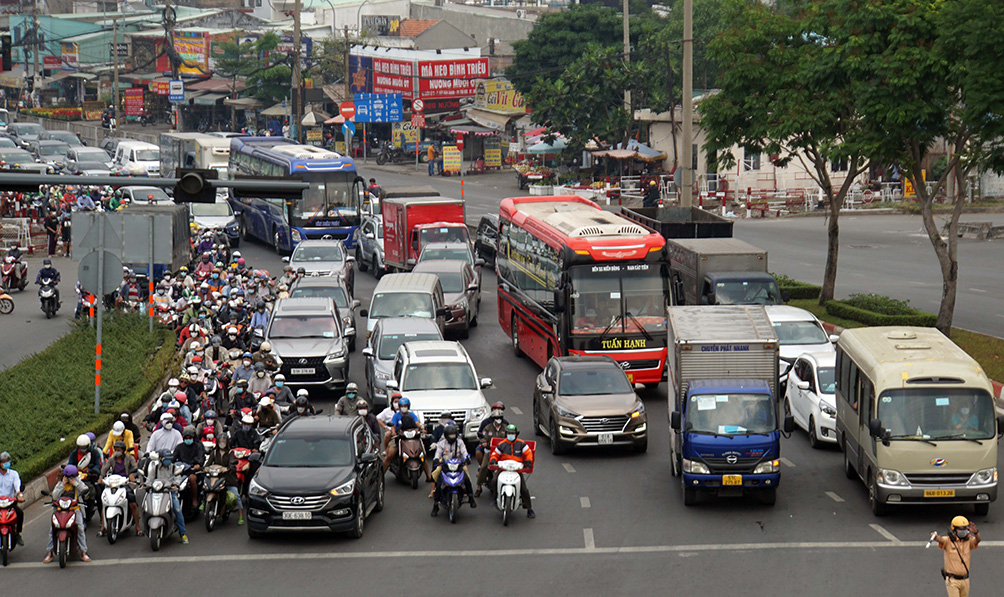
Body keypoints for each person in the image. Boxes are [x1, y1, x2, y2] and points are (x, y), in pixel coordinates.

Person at [43, 465, 91, 563]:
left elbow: (85, 490)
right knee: (52, 529)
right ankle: (50, 553)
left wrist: (76, 484)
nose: (70, 479)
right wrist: (62, 484)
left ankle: (83, 553)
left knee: (80, 528)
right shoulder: (60, 483)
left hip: (75, 509)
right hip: (60, 510)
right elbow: (55, 496)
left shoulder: (77, 482)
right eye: (69, 477)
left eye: (73, 477)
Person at [97, 441, 142, 537]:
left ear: (123, 451)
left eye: (118, 450)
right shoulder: (112, 459)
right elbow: (104, 469)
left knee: (132, 503)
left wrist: (131, 475)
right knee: (104, 501)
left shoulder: (129, 458)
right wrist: (101, 477)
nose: (116, 452)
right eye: (115, 450)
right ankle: (103, 527)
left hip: (125, 483)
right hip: (113, 483)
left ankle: (137, 527)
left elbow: (135, 468)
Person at [489, 424, 535, 518]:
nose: (511, 435)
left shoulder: (521, 444)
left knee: (524, 489)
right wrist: (493, 460)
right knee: (493, 481)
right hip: (503, 469)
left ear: (516, 434)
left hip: (516, 470)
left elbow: (528, 454)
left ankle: (529, 508)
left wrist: (528, 462)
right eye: (509, 433)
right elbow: (495, 454)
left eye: (512, 433)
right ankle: (495, 497)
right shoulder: (501, 444)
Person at [430, 424, 476, 516]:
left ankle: (471, 497)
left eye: (454, 435)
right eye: (450, 435)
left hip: (458, 465)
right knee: (438, 481)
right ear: (446, 435)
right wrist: (436, 459)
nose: (452, 437)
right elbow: (438, 453)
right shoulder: (442, 443)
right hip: (445, 465)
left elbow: (464, 452)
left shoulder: (460, 442)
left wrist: (467, 458)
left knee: (467, 478)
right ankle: (435, 505)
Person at [384, 398, 432, 481]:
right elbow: (393, 426)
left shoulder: (412, 415)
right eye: (402, 406)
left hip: (412, 439)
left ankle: (428, 475)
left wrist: (421, 428)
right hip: (399, 439)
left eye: (405, 406)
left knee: (422, 454)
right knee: (390, 455)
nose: (403, 407)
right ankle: (381, 475)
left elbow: (417, 423)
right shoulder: (396, 416)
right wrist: (393, 432)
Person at [146, 450, 188, 545]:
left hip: (169, 492)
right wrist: (146, 485)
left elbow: (177, 478)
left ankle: (183, 533)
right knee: (146, 506)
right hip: (156, 492)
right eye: (166, 459)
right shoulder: (155, 468)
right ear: (161, 459)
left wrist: (175, 485)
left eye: (169, 459)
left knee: (177, 510)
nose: (168, 461)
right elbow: (149, 480)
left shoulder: (173, 468)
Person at [933, 515, 981, 597]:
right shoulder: (948, 541)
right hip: (952, 580)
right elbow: (940, 539)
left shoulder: (969, 541)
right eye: (961, 529)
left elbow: (977, 540)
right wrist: (935, 536)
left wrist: (976, 533)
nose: (964, 531)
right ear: (954, 529)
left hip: (965, 579)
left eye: (965, 529)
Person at [205, 433, 244, 525]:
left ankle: (241, 516)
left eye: (224, 441)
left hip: (228, 478)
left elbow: (232, 463)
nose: (222, 443)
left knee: (236, 495)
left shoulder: (230, 453)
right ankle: (203, 502)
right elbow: (208, 463)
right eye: (220, 441)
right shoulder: (214, 452)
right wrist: (205, 468)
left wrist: (229, 468)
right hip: (216, 477)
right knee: (205, 487)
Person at [475, 401, 510, 495]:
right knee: (483, 467)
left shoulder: (506, 426)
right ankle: (479, 486)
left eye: (500, 418)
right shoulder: (487, 426)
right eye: (496, 418)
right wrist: (484, 442)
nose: (498, 420)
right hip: (490, 451)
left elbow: (511, 437)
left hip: (503, 452)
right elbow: (483, 436)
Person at [173, 427, 205, 512]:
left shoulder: (198, 447)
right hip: (181, 470)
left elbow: (200, 458)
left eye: (190, 438)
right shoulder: (179, 447)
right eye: (186, 438)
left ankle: (195, 499)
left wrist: (197, 464)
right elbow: (174, 457)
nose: (188, 440)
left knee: (192, 478)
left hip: (193, 470)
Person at [0, 452, 24, 547]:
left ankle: (17, 533)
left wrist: (19, 494)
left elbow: (17, 485)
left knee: (20, 513)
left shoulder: (13, 474)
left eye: (7, 461)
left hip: (10, 503)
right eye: (3, 462)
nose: (6, 463)